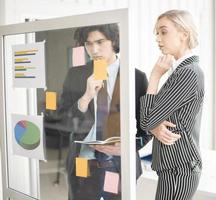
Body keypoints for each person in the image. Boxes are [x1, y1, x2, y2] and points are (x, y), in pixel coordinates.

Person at [58, 24, 151, 200]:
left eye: (100, 42)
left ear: (114, 40)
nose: (94, 49)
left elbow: (147, 126)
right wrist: (85, 98)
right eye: (88, 44)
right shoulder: (75, 75)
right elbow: (63, 121)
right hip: (83, 161)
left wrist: (127, 148)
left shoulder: (136, 77)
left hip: (116, 163)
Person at [140, 10, 204, 200]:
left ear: (184, 34)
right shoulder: (180, 71)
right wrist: (155, 126)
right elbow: (152, 120)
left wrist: (154, 76)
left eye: (163, 32)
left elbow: (146, 120)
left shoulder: (188, 73)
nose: (158, 39)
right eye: (157, 34)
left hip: (179, 166)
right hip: (175, 165)